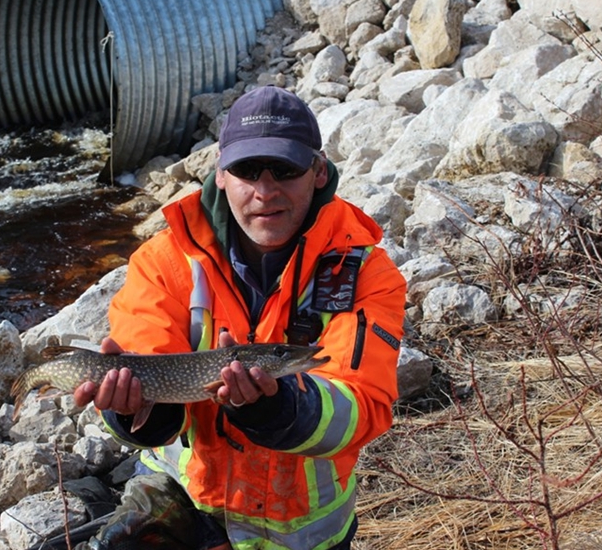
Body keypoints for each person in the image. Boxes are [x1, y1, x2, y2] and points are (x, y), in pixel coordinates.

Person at [72, 85, 407, 550]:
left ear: (318, 171)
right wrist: (130, 412)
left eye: (285, 170)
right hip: (186, 495)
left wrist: (278, 406)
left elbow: (363, 406)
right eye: (247, 170)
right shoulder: (163, 262)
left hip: (302, 531)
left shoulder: (367, 273)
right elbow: (150, 391)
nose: (265, 191)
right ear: (221, 175)